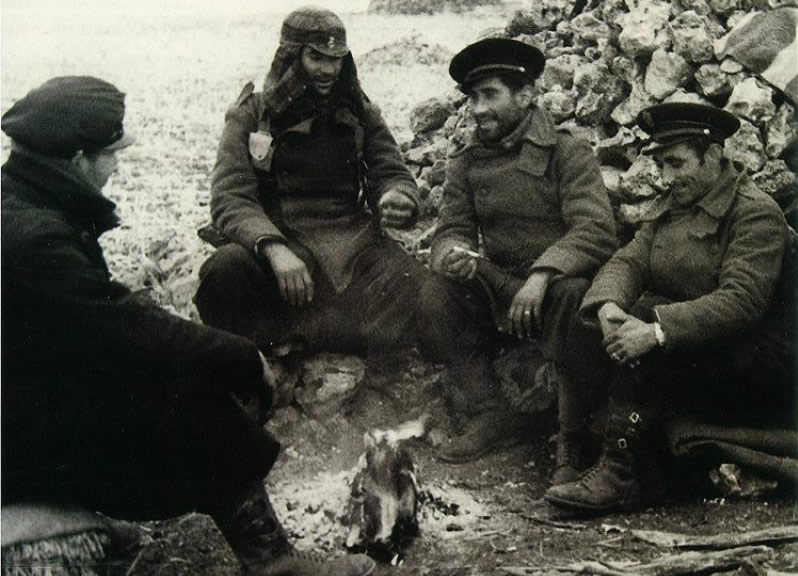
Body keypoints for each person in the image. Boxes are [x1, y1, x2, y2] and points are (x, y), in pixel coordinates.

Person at [1, 76, 374, 576]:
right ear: (75, 158)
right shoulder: (34, 238)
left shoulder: (22, 204)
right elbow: (126, 327)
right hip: (17, 433)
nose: (115, 165)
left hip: (22, 399)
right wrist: (240, 357)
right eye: (110, 153)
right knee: (193, 395)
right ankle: (274, 562)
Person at [544, 103, 797, 515]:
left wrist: (655, 331)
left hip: (758, 364)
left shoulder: (754, 213)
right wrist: (609, 306)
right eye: (661, 164)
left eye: (677, 163)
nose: (667, 176)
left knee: (648, 331)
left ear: (713, 156)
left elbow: (742, 301)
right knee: (587, 317)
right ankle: (579, 450)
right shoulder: (674, 206)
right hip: (707, 349)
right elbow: (630, 260)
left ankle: (621, 475)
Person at [417, 38, 617, 464]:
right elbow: (451, 228)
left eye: (490, 94)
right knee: (437, 294)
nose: (477, 108)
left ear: (526, 95)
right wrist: (453, 252)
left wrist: (543, 275)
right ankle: (491, 413)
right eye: (473, 97)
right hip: (502, 288)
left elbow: (597, 230)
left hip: (556, 287)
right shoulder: (467, 161)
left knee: (573, 294)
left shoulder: (567, 151)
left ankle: (572, 434)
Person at [194, 6, 425, 374]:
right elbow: (230, 197)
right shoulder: (253, 113)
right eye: (316, 57)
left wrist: (397, 196)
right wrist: (273, 248)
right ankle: (275, 352)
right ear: (291, 54)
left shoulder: (360, 111)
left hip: (350, 247)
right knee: (224, 272)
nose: (328, 70)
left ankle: (304, 342)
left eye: (336, 59)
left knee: (410, 281)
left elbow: (390, 169)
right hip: (280, 240)